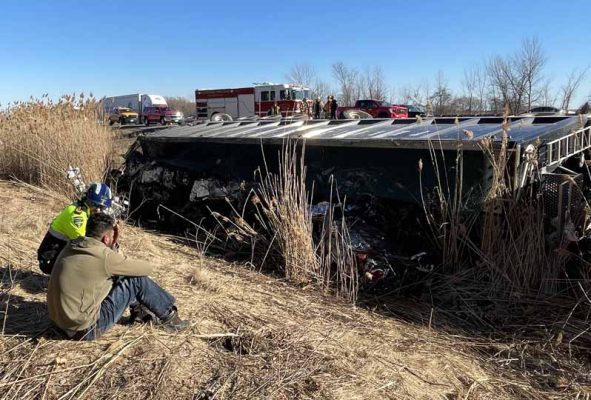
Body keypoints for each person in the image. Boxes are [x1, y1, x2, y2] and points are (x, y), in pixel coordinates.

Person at [47, 212, 189, 340]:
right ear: (106, 238)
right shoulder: (105, 257)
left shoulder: (72, 245)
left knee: (117, 275)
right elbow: (146, 269)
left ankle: (139, 313)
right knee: (136, 280)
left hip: (58, 322)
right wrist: (114, 247)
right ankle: (171, 319)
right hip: (85, 330)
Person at [37, 182, 114, 275]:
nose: (98, 209)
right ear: (88, 200)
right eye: (95, 204)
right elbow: (85, 244)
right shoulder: (77, 215)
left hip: (57, 252)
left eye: (101, 207)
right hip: (49, 258)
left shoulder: (83, 209)